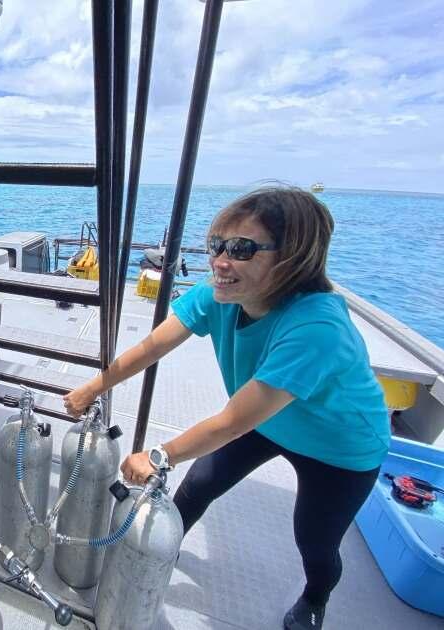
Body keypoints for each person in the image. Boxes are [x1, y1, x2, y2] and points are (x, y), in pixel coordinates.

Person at [64, 187, 389, 630]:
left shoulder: (317, 327)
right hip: (270, 422)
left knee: (314, 539)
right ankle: (156, 555)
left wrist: (159, 456)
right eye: (217, 244)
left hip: (339, 446)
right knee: (197, 487)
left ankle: (315, 599)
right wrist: (91, 388)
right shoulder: (218, 294)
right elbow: (152, 346)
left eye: (241, 249)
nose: (219, 260)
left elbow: (233, 422)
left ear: (293, 258)